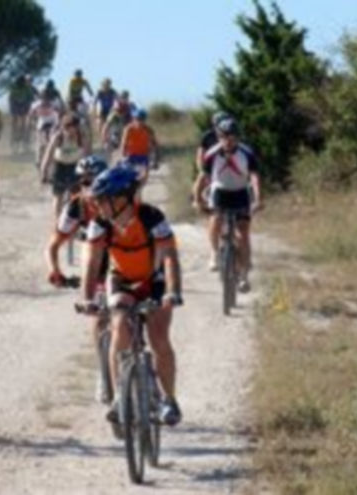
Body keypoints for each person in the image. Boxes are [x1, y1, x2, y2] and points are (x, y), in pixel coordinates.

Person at [80, 166, 184, 426]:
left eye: (102, 200)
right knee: (119, 326)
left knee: (159, 337)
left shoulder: (152, 217)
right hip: (121, 280)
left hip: (154, 280)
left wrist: (173, 292)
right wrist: (87, 298)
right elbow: (92, 263)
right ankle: (119, 398)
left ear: (121, 199)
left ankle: (169, 399)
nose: (97, 205)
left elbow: (169, 257)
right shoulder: (99, 224)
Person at [46, 154, 112, 401]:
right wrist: (54, 270)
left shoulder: (118, 200)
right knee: (97, 315)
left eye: (94, 180)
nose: (89, 186)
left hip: (121, 258)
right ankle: (104, 373)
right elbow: (53, 244)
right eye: (84, 181)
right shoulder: (76, 206)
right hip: (94, 261)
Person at [192, 118, 262, 292]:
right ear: (219, 137)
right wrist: (197, 199)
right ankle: (215, 253)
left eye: (232, 137)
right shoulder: (212, 154)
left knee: (243, 232)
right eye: (224, 137)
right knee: (215, 220)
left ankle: (244, 275)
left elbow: (254, 177)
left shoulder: (247, 153)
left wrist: (258, 198)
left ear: (237, 137)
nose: (228, 140)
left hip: (240, 192)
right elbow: (202, 178)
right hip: (220, 192)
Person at [40, 112, 90, 220]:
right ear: (64, 127)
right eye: (68, 129)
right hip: (60, 166)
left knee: (77, 196)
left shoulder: (82, 137)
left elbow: (86, 157)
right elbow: (48, 155)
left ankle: (76, 221)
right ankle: (57, 220)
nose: (71, 132)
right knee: (58, 196)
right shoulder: (58, 137)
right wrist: (44, 172)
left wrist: (86, 174)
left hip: (75, 165)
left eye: (74, 128)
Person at [120, 108, 160, 186]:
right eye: (137, 119)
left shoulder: (148, 130)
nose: (139, 121)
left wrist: (156, 159)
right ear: (133, 119)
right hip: (130, 155)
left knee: (144, 178)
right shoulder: (128, 129)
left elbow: (155, 145)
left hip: (143, 155)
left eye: (142, 119)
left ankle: (139, 190)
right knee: (128, 177)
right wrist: (123, 155)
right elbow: (123, 143)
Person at [27, 96, 62, 171]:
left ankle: (52, 160)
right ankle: (38, 160)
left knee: (50, 145)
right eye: (43, 108)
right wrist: (31, 123)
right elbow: (31, 115)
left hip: (51, 129)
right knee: (40, 146)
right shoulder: (38, 109)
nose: (45, 110)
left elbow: (57, 124)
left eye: (47, 108)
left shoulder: (54, 113)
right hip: (41, 129)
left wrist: (55, 129)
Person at [9, 75, 37, 153]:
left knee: (24, 125)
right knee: (14, 124)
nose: (21, 84)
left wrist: (33, 103)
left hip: (24, 106)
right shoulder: (14, 86)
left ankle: (24, 144)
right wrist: (13, 111)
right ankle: (14, 142)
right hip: (15, 106)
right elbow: (11, 98)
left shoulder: (26, 87)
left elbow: (31, 97)